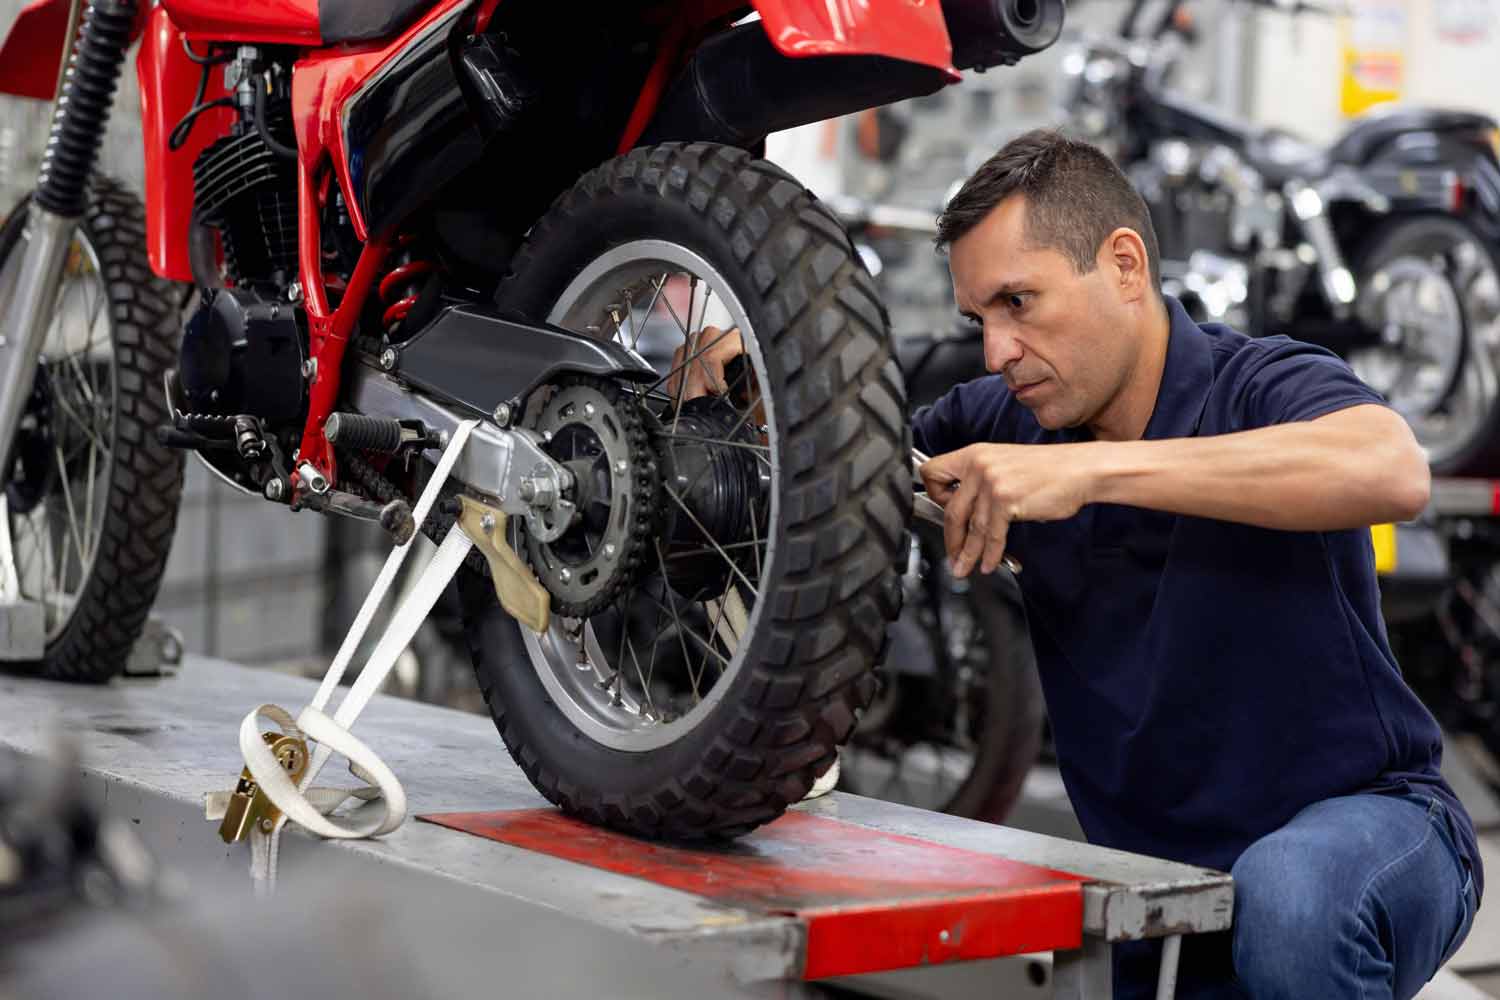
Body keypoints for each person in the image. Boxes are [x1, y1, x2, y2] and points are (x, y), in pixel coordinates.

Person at [669, 129, 1480, 1000]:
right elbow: (839, 444)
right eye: (980, 318)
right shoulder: (1001, 414)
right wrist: (746, 378)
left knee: (1290, 903)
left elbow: (1390, 467)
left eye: (1021, 302)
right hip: (1161, 885)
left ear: (1125, 266)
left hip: (1374, 829)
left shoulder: (1259, 384)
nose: (996, 350)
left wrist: (1084, 474)